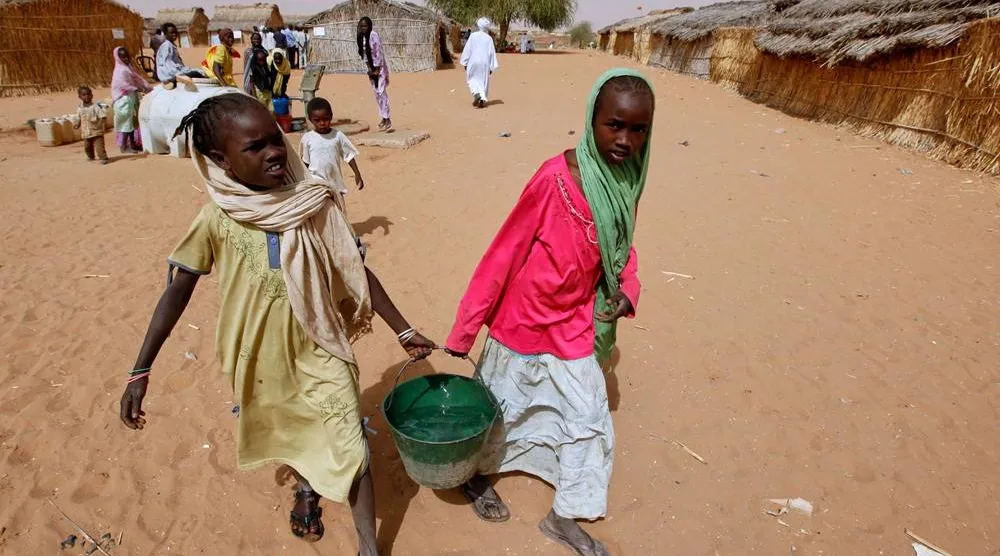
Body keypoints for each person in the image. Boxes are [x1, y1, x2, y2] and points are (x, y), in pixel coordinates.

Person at [119, 93, 435, 554]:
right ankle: (306, 487)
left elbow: (354, 270)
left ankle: (368, 545)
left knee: (352, 445)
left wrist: (403, 330)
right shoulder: (216, 219)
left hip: (321, 346)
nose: (274, 152)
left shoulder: (312, 203)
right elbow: (178, 290)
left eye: (275, 139)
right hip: (258, 356)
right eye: (254, 147)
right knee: (290, 431)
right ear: (219, 159)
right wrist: (140, 370)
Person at [444, 69, 655, 556]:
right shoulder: (554, 178)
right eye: (614, 125)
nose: (625, 139)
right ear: (592, 120)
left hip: (576, 322)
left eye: (637, 129)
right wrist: (465, 329)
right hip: (523, 320)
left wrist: (629, 288)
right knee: (498, 410)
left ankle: (564, 516)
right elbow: (504, 253)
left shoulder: (626, 180)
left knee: (588, 417)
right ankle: (476, 478)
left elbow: (622, 247)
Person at [300, 97, 364, 211]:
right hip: (316, 183)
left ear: (331, 116)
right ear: (310, 119)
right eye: (317, 120)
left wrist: (357, 174)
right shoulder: (307, 138)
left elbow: (348, 156)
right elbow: (305, 162)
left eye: (326, 119)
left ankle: (340, 228)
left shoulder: (338, 136)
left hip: (335, 181)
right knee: (320, 212)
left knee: (338, 210)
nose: (322, 123)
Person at [111, 46, 152, 154]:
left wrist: (146, 86)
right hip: (123, 100)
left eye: (127, 56)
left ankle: (132, 144)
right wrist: (138, 88)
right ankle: (124, 146)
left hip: (130, 98)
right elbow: (123, 85)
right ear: (118, 58)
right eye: (123, 57)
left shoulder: (127, 68)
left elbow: (136, 78)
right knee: (126, 123)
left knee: (132, 123)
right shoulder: (120, 71)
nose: (126, 59)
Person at [357, 17, 391, 132]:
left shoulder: (373, 35)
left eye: (365, 26)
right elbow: (365, 55)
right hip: (371, 69)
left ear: (370, 26)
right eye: (361, 26)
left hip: (379, 68)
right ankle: (383, 117)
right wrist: (369, 69)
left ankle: (387, 118)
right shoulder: (362, 38)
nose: (363, 28)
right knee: (377, 94)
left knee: (381, 92)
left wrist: (377, 69)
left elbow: (378, 52)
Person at [460, 18, 499, 109]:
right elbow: (491, 53)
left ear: (478, 25)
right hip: (485, 63)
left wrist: (465, 62)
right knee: (483, 81)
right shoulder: (489, 38)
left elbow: (468, 49)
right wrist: (491, 67)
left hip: (473, 61)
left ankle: (476, 94)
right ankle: (482, 99)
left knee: (471, 79)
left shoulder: (473, 36)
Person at [75, 85, 109, 164]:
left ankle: (103, 158)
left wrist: (102, 126)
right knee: (87, 147)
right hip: (86, 131)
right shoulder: (79, 108)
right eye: (84, 95)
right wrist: (77, 124)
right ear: (79, 97)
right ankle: (91, 156)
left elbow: (102, 117)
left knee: (99, 147)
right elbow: (78, 117)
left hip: (96, 131)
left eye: (88, 94)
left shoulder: (95, 107)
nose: (86, 96)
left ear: (92, 96)